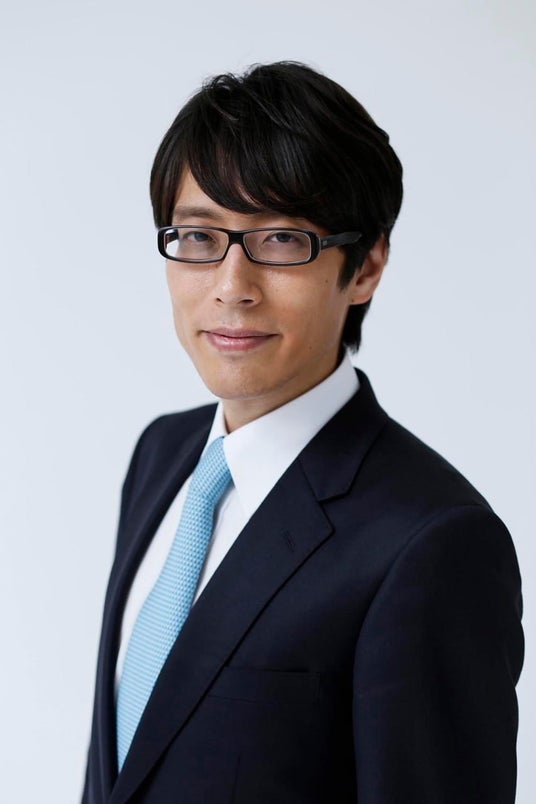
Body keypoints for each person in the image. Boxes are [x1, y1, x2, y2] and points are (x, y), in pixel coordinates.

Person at [82, 62, 524, 804]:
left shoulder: (432, 544)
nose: (232, 287)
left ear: (366, 266)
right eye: (199, 236)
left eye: (283, 240)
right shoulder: (163, 455)